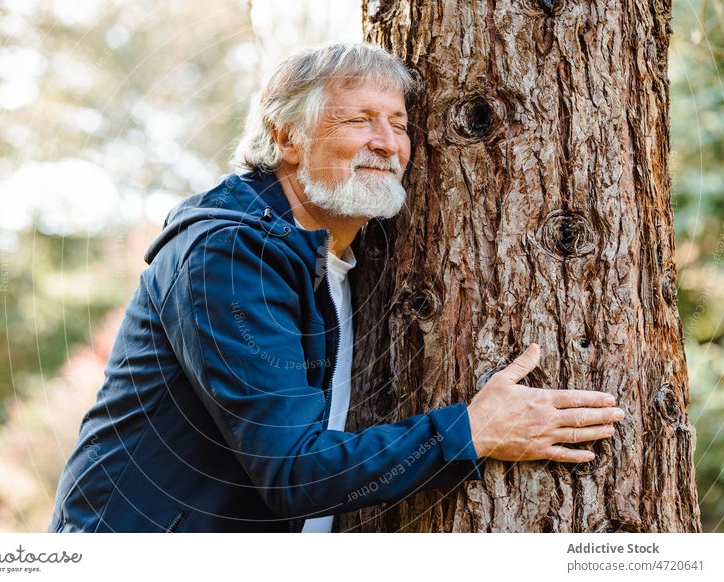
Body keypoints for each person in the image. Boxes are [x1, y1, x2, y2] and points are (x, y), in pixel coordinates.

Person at [48, 42, 624, 533]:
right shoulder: (228, 255)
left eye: (398, 124)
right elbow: (292, 470)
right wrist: (470, 431)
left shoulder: (355, 255)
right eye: (358, 120)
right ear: (286, 136)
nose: (388, 143)